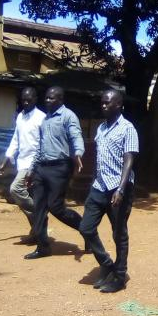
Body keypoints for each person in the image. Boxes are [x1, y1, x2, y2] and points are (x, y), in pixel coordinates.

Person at [79, 90, 139, 293]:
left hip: (118, 188)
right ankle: (106, 263)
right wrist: (93, 179)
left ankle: (119, 276)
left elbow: (129, 158)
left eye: (107, 103)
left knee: (119, 233)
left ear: (119, 105)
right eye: (102, 103)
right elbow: (98, 156)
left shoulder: (127, 128)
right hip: (99, 187)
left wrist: (121, 188)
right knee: (86, 227)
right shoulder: (101, 128)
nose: (103, 106)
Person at [24, 86, 85, 259]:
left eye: (52, 98)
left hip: (60, 167)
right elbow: (39, 147)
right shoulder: (45, 120)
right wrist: (31, 169)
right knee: (39, 208)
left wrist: (78, 153)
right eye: (47, 98)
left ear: (60, 100)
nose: (47, 101)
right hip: (42, 167)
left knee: (56, 207)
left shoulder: (68, 116)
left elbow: (76, 136)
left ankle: (86, 230)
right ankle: (43, 246)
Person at [0, 87, 46, 243]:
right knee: (26, 200)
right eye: (24, 100)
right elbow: (15, 141)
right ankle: (37, 232)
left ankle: (40, 214)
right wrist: (4, 163)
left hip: (34, 164)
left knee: (16, 189)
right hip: (22, 163)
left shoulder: (42, 118)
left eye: (29, 99)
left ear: (36, 99)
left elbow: (43, 144)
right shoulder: (20, 117)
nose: (26, 102)